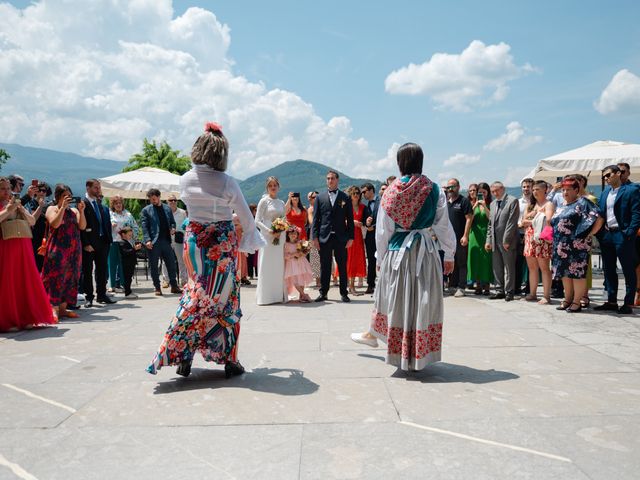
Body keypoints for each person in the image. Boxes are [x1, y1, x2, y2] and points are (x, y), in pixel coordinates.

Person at [147, 122, 264, 379]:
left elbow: (198, 207)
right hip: (221, 244)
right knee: (225, 301)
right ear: (221, 153)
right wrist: (233, 221)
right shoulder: (227, 181)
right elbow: (246, 218)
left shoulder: (185, 179)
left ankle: (182, 355)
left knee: (196, 295)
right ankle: (229, 360)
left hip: (195, 241)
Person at [350, 143, 455, 371]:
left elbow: (383, 230)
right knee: (422, 301)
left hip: (398, 251)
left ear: (400, 162)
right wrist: (449, 253)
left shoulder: (391, 190)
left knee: (393, 299)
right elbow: (443, 225)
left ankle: (395, 350)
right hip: (425, 251)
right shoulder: (434, 189)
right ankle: (418, 355)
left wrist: (380, 258)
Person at [0, 176, 56, 331]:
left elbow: (32, 221)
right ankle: (9, 319)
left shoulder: (16, 204)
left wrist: (20, 209)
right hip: (6, 246)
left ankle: (26, 317)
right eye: (3, 188)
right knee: (8, 282)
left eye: (7, 188)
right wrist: (8, 210)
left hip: (23, 246)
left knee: (24, 281)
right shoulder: (6, 205)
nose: (6, 191)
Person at [551, 178, 603, 313]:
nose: (565, 192)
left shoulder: (583, 202)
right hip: (560, 244)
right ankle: (567, 299)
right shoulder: (561, 205)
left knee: (577, 273)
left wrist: (591, 234)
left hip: (578, 245)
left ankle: (577, 301)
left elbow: (599, 216)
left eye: (568, 189)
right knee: (564, 273)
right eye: (563, 190)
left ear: (576, 190)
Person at [595, 165, 640, 314]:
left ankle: (628, 303)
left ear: (618, 173)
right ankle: (612, 301)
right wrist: (598, 233)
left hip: (623, 235)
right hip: (607, 235)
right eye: (604, 177)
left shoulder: (631, 190)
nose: (606, 179)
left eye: (608, 175)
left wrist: (629, 233)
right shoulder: (605, 192)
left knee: (627, 269)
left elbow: (636, 213)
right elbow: (600, 213)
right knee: (608, 269)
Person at [42, 184, 86, 319]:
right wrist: (61, 208)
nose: (68, 198)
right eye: (64, 196)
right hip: (58, 249)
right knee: (56, 278)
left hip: (74, 250)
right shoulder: (52, 208)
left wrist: (82, 211)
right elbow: (54, 224)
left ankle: (62, 308)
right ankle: (52, 308)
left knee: (70, 278)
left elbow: (82, 226)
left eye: (69, 195)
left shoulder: (74, 211)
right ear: (58, 197)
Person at [311, 170, 355, 303]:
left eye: (332, 178)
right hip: (324, 237)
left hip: (341, 237)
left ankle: (344, 293)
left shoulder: (345, 197)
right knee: (325, 266)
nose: (330, 181)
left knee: (342, 265)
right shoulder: (320, 198)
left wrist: (351, 237)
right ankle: (323, 293)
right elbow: (316, 219)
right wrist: (315, 237)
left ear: (337, 180)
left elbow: (350, 219)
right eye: (328, 178)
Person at [81, 179, 115, 307]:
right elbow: (81, 226)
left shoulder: (99, 203)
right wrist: (85, 243)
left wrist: (108, 240)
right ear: (88, 188)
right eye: (96, 187)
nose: (98, 190)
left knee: (102, 269)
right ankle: (89, 297)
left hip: (103, 242)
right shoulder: (82, 204)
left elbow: (104, 223)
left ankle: (101, 294)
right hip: (89, 243)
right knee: (88, 270)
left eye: (99, 187)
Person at [141, 188, 180, 296]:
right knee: (154, 266)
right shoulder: (146, 210)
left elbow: (172, 222)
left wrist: (173, 228)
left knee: (171, 264)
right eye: (151, 199)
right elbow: (144, 227)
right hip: (153, 242)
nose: (153, 201)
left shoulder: (167, 208)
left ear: (159, 197)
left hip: (166, 241)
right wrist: (147, 240)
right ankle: (157, 287)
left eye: (154, 199)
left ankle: (174, 286)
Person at [485, 181, 520, 301]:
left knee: (509, 267)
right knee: (497, 267)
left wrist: (507, 240)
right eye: (493, 191)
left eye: (497, 190)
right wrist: (488, 240)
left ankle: (509, 291)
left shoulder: (512, 200)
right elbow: (490, 224)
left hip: (507, 241)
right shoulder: (493, 203)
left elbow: (512, 222)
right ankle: (499, 290)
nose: (495, 193)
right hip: (495, 240)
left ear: (503, 189)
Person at [255, 176, 287, 304]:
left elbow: (284, 219)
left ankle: (278, 295)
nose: (273, 188)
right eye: (270, 186)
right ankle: (266, 296)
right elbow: (256, 220)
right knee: (266, 263)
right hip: (267, 236)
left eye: (275, 185)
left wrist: (281, 230)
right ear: (267, 188)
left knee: (278, 264)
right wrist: (269, 231)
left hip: (280, 237)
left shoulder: (281, 202)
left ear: (278, 187)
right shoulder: (264, 201)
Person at [521, 180, 554, 304]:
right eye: (533, 189)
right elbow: (523, 221)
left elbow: (548, 220)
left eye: (537, 189)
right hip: (530, 237)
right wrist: (536, 217)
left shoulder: (548, 204)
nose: (534, 192)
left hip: (542, 238)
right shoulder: (531, 205)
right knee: (532, 267)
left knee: (544, 268)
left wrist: (531, 219)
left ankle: (546, 295)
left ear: (545, 190)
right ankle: (533, 293)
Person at [445, 178, 472, 297]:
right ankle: (452, 285)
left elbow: (469, 218)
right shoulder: (446, 202)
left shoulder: (464, 201)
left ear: (458, 187)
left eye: (453, 186)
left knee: (461, 262)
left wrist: (465, 235)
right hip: (448, 239)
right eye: (448, 187)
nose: (450, 189)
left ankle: (461, 287)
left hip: (460, 237)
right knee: (451, 261)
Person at [108, 195, 138, 293]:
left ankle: (123, 284)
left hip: (125, 242)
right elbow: (105, 227)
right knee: (112, 263)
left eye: (120, 203)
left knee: (123, 264)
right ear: (113, 204)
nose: (118, 205)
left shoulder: (128, 214)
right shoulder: (110, 214)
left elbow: (135, 226)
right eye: (116, 203)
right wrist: (110, 225)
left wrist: (132, 236)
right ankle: (112, 285)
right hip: (113, 241)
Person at [467, 182, 493, 295]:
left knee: (486, 259)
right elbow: (469, 219)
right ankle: (477, 284)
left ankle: (486, 284)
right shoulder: (472, 204)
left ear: (487, 193)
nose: (482, 194)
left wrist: (484, 206)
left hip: (486, 234)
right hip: (474, 235)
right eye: (479, 193)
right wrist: (475, 205)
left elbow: (491, 218)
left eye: (484, 192)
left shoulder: (491, 204)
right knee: (475, 258)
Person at [161, 194, 188, 288]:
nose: (173, 202)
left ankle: (184, 280)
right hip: (167, 238)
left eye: (175, 200)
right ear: (167, 202)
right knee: (165, 260)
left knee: (181, 260)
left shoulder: (183, 212)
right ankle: (166, 280)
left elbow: (187, 226)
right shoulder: (163, 212)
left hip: (179, 238)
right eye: (170, 200)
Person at [345, 185, 367, 295]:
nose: (356, 195)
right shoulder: (346, 206)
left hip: (358, 236)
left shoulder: (363, 207)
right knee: (348, 260)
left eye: (358, 193)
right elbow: (340, 220)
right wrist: (353, 222)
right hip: (348, 235)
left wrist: (365, 222)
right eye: (354, 193)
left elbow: (365, 221)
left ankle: (352, 286)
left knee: (355, 261)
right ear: (350, 195)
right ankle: (349, 285)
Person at [284, 225, 313, 302]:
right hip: (292, 264)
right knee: (295, 280)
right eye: (291, 234)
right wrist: (293, 254)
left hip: (301, 262)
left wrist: (303, 253)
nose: (293, 235)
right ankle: (304, 294)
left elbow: (305, 251)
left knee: (301, 279)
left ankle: (301, 296)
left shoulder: (300, 242)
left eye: (295, 234)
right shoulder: (286, 244)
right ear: (288, 235)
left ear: (297, 235)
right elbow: (285, 255)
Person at [516, 178, 534, 295]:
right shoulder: (518, 202)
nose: (526, 189)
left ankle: (529, 287)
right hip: (519, 233)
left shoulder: (535, 202)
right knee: (517, 261)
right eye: (524, 187)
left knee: (531, 264)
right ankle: (516, 286)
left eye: (528, 186)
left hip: (532, 234)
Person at [361, 182, 379, 294]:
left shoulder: (381, 201)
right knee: (371, 261)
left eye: (364, 191)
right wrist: (367, 225)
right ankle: (370, 285)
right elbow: (364, 220)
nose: (363, 194)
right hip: (370, 236)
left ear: (371, 190)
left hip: (381, 235)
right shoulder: (365, 206)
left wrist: (374, 227)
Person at [116, 226, 141, 299]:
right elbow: (125, 252)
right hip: (126, 264)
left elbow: (131, 252)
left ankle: (129, 291)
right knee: (127, 278)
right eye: (129, 235)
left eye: (131, 235)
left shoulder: (127, 242)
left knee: (129, 278)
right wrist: (134, 249)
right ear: (123, 234)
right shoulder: (121, 242)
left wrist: (137, 249)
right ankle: (127, 292)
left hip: (130, 263)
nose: (131, 236)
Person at [306, 191, 321, 287]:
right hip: (314, 234)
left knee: (325, 257)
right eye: (312, 197)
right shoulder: (310, 209)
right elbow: (312, 222)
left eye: (316, 197)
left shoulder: (323, 207)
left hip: (324, 233)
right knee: (315, 257)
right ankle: (318, 281)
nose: (314, 198)